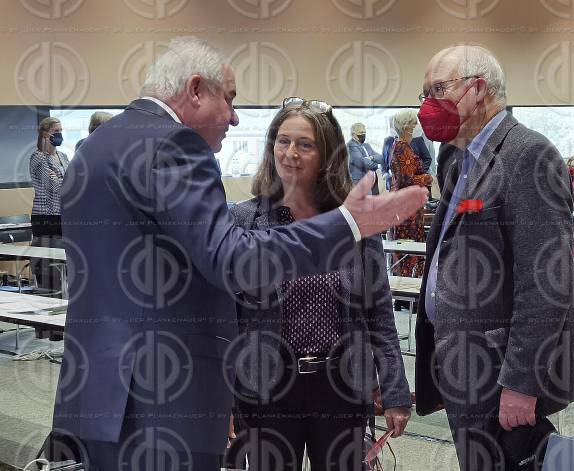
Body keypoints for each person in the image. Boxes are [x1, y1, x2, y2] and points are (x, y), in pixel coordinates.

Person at [51, 36, 428, 471]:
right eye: (228, 100)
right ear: (195, 89)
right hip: (168, 396)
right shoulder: (174, 147)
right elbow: (234, 262)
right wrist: (346, 224)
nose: (233, 117)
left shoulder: (97, 147)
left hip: (102, 389)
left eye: (305, 144)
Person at [414, 45, 574, 471]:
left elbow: (547, 281)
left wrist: (521, 383)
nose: (426, 104)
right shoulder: (456, 159)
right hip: (461, 366)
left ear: (478, 90)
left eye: (438, 89)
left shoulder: (528, 155)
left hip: (500, 374)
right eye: (423, 93)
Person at [228, 99, 412, 471]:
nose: (290, 153)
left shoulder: (355, 220)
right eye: (283, 141)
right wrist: (223, 400)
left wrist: (394, 391)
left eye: (305, 144)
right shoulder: (245, 220)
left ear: (327, 155)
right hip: (268, 390)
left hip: (341, 388)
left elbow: (378, 313)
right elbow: (229, 320)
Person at [388, 109, 432, 277]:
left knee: (410, 249)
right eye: (414, 124)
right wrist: (427, 178)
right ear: (406, 126)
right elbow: (408, 180)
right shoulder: (401, 147)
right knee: (408, 251)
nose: (416, 126)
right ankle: (405, 290)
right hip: (406, 211)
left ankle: (409, 286)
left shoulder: (402, 145)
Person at [29, 116, 69, 292]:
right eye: (55, 132)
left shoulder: (63, 156)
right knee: (46, 261)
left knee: (61, 259)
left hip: (62, 214)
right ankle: (47, 295)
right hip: (44, 215)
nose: (59, 134)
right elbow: (53, 186)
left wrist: (63, 180)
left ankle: (62, 294)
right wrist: (64, 181)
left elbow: (74, 182)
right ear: (45, 134)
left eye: (60, 131)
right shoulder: (38, 157)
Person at [347, 122, 383, 194]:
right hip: (360, 181)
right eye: (361, 132)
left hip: (372, 179)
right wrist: (377, 165)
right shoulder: (351, 145)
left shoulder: (366, 145)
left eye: (364, 132)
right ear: (353, 134)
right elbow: (361, 162)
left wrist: (371, 157)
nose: (363, 134)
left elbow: (381, 158)